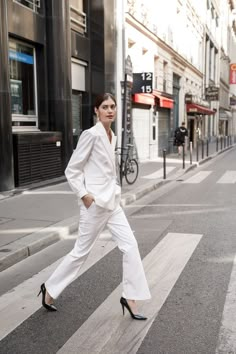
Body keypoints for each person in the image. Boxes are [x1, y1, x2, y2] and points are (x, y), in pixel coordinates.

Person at [38, 93, 151, 320]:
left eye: (113, 107)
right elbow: (72, 170)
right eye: (105, 107)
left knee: (130, 246)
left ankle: (130, 297)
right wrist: (84, 195)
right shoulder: (91, 135)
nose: (110, 110)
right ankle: (49, 289)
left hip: (113, 202)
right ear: (96, 111)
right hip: (95, 204)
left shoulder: (113, 136)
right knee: (81, 253)